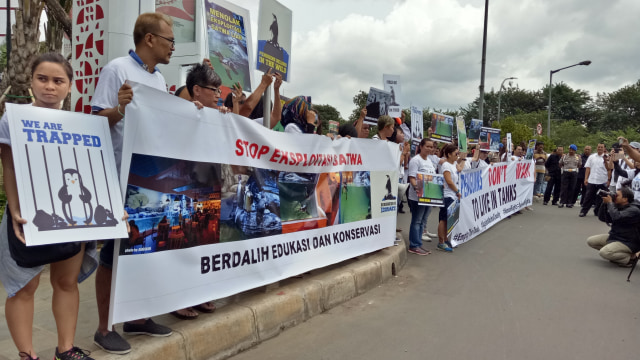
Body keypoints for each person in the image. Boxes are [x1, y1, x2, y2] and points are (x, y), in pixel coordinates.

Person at [0, 53, 97, 360]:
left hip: (72, 215)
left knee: (66, 282)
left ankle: (65, 350)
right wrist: (15, 211)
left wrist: (104, 212)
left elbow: (92, 172)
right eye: (42, 79)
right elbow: (10, 167)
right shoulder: (12, 118)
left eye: (58, 81)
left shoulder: (81, 125)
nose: (50, 87)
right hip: (28, 214)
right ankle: (27, 354)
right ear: (31, 81)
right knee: (23, 288)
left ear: (70, 86)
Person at [90, 12, 175, 354]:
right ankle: (103, 327)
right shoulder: (116, 70)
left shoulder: (161, 81)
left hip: (149, 176)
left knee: (143, 249)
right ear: (150, 39)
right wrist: (120, 108)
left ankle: (137, 317)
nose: (172, 47)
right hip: (118, 176)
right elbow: (96, 121)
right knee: (113, 254)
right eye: (169, 39)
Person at [587, 188, 640, 267]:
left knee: (604, 252)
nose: (614, 196)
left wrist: (610, 203)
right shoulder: (618, 205)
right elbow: (602, 218)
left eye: (617, 195)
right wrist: (604, 204)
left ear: (625, 199)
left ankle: (630, 258)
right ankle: (617, 254)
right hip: (615, 237)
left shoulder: (634, 210)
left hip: (629, 241)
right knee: (591, 241)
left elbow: (617, 217)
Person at [406, 139, 436, 255]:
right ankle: (414, 245)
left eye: (431, 147)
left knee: (422, 221)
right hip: (417, 197)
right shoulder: (415, 160)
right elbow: (412, 177)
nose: (429, 149)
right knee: (417, 220)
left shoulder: (429, 160)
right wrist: (416, 187)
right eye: (427, 146)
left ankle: (418, 244)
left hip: (428, 196)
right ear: (421, 146)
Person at [437, 144, 462, 252]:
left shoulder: (454, 163)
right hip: (447, 195)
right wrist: (457, 191)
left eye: (458, 153)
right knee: (443, 219)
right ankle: (441, 241)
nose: (457, 155)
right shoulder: (446, 165)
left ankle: (446, 239)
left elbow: (460, 169)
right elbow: (449, 181)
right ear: (449, 154)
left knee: (449, 219)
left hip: (453, 196)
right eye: (456, 153)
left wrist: (463, 157)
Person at [579, 143, 611, 217]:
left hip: (602, 180)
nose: (600, 148)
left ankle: (597, 211)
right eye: (598, 147)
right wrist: (586, 178)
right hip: (592, 180)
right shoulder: (592, 157)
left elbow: (609, 170)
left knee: (600, 198)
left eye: (601, 147)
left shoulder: (607, 158)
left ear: (604, 149)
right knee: (588, 197)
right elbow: (588, 168)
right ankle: (583, 211)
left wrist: (608, 180)